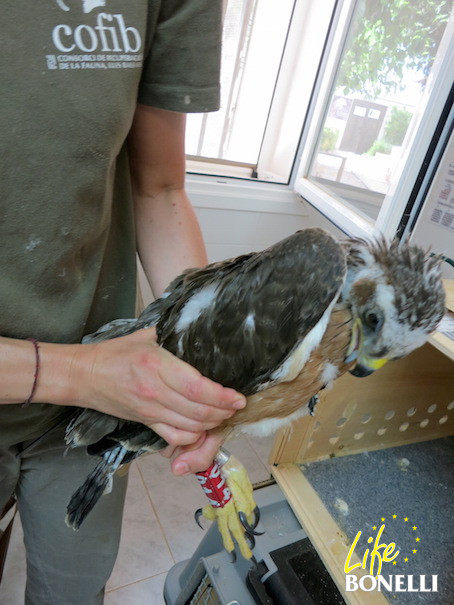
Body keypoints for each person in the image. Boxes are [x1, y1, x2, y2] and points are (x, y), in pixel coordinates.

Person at [0, 1, 245, 603]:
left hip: (90, 421)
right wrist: (79, 373)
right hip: (93, 382)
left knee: (75, 589)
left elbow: (159, 187)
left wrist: (203, 371)